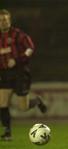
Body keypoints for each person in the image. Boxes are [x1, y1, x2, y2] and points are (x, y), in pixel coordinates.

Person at [0, 9, 47, 141]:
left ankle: (37, 100)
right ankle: (7, 131)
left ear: (9, 20)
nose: (2, 22)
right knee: (2, 102)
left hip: (20, 71)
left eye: (4, 19)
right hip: (4, 73)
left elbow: (30, 48)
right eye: (0, 20)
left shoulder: (17, 34)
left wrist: (17, 60)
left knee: (23, 107)